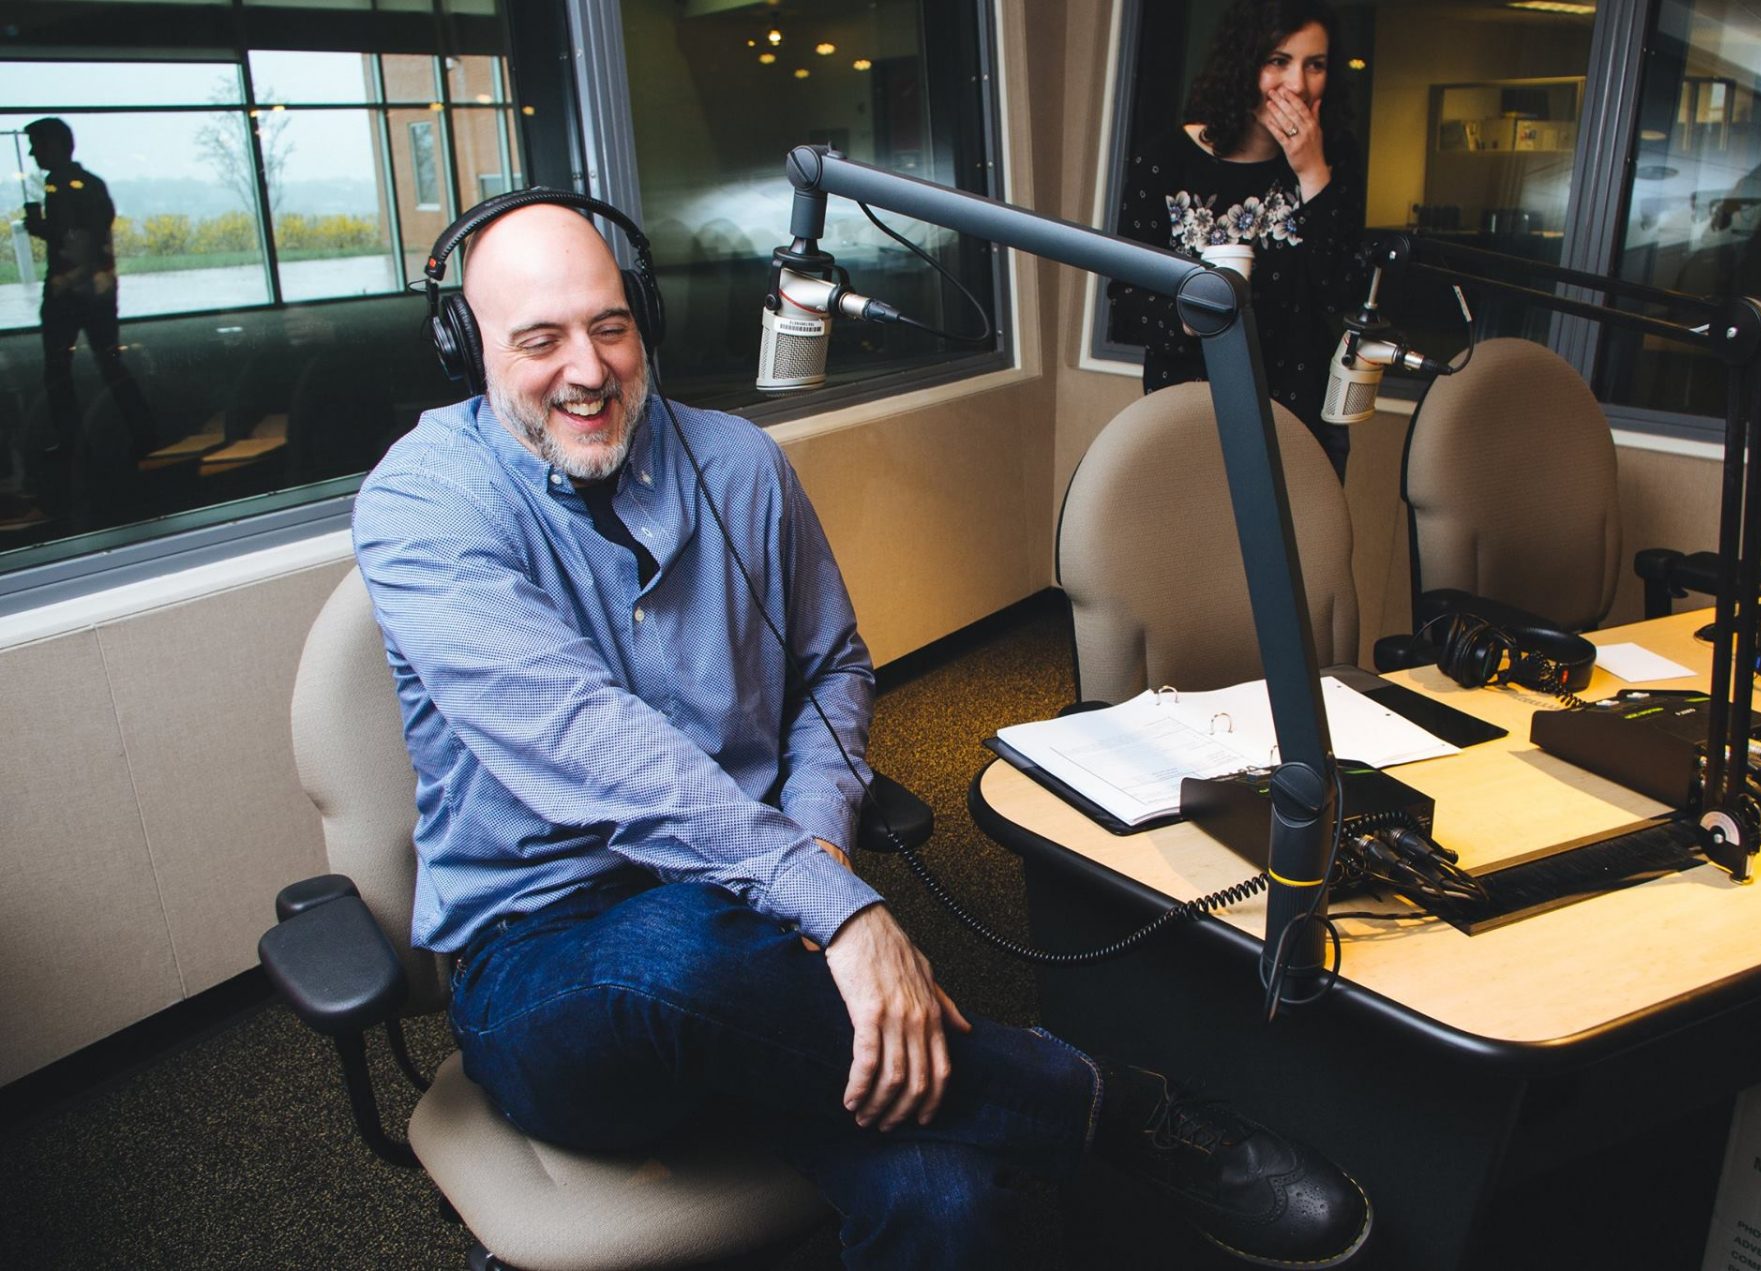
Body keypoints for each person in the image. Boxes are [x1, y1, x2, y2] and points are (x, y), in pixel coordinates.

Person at [352, 197, 1372, 1269]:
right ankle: (1109, 1101)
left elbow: (833, 666)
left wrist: (819, 846)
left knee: (953, 1200)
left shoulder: (740, 466)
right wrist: (837, 907)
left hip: (762, 926)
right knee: (680, 954)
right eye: (540, 339)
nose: (590, 368)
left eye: (610, 324)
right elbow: (585, 742)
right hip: (551, 964)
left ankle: (984, 1087)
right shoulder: (423, 505)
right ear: (468, 347)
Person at [1108, 0, 1364, 479]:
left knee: (1303, 554)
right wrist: (1195, 316)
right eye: (1278, 61)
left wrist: (1312, 172)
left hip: (1300, 415)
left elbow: (1342, 293)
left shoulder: (1336, 158)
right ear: (1245, 62)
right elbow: (1126, 304)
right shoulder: (1166, 160)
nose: (1298, 85)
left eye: (1316, 65)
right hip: (1190, 416)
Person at [22, 117, 157, 462]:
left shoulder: (67, 187)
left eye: (37, 145)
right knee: (108, 363)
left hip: (72, 290)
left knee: (60, 368)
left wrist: (43, 230)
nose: (33, 153)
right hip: (95, 290)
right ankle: (142, 432)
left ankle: (75, 442)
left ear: (55, 146)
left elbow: (81, 239)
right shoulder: (82, 184)